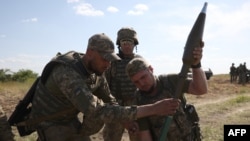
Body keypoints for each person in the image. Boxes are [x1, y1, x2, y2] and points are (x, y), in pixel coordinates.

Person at [28, 33, 180, 141]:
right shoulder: (66, 72)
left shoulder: (97, 72)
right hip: (50, 123)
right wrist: (153, 109)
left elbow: (110, 100)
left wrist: (125, 121)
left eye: (110, 60)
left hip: (70, 120)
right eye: (104, 59)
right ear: (90, 53)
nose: (108, 64)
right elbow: (97, 110)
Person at [125, 45, 208, 141]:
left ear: (151, 69)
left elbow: (200, 89)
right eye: (136, 82)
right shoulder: (139, 100)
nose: (141, 84)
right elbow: (145, 134)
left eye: (143, 77)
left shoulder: (170, 81)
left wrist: (196, 65)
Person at [103, 27, 143, 141]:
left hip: (136, 106)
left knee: (138, 137)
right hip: (116, 107)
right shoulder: (112, 61)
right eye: (123, 42)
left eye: (129, 42)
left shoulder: (140, 61)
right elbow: (104, 86)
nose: (126, 45)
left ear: (134, 44)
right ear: (119, 44)